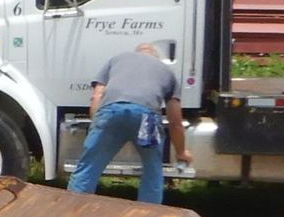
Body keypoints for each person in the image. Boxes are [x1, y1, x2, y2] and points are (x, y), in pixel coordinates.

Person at [67, 43, 193, 204]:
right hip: (146, 118)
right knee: (152, 170)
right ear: (155, 56)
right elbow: (175, 120)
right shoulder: (167, 71)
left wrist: (97, 125)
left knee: (88, 167)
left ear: (137, 53)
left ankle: (73, 212)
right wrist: (181, 151)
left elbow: (97, 95)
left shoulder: (117, 59)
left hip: (110, 112)